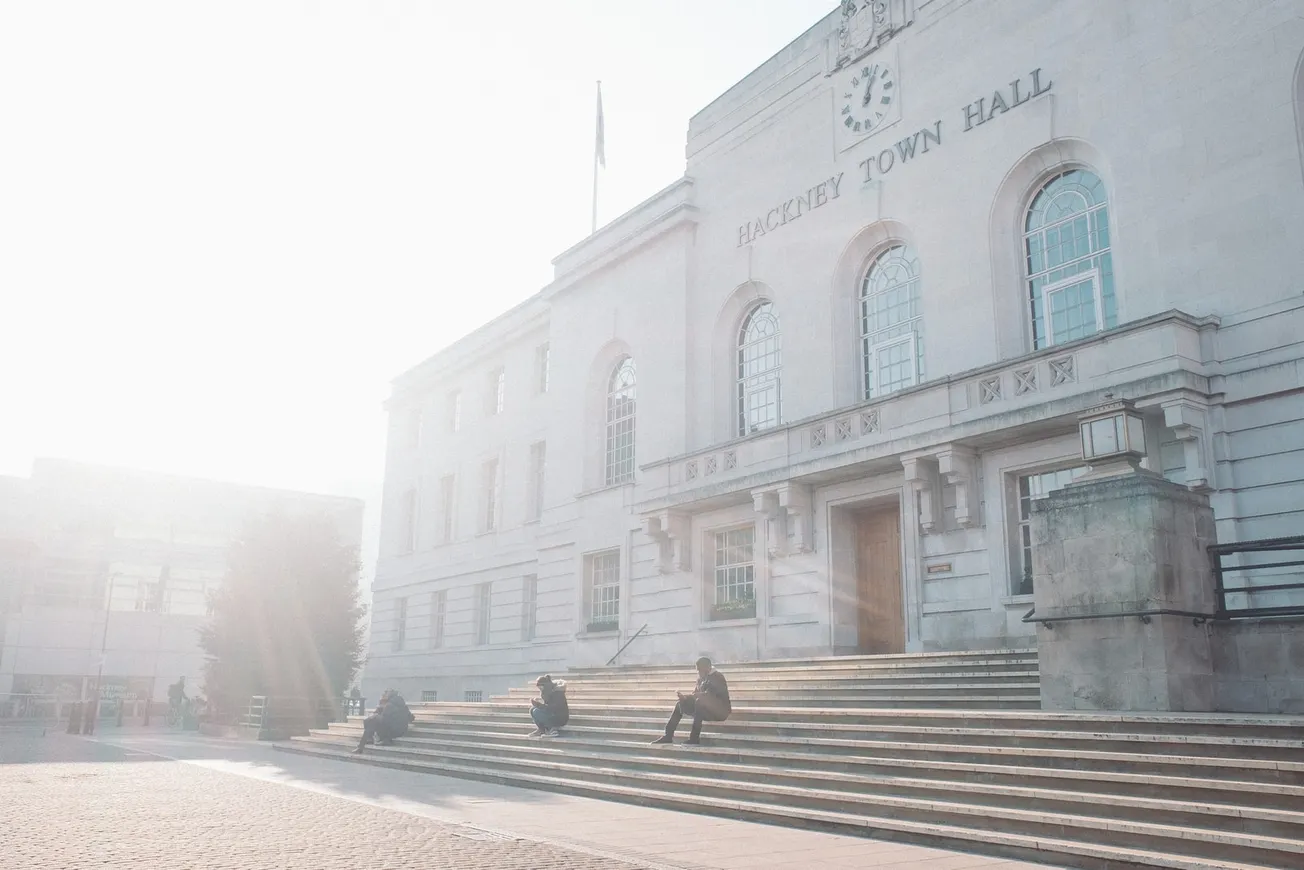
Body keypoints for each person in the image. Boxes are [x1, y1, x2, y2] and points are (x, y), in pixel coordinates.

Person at [651, 656, 730, 746]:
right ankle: (668, 736)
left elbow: (711, 696)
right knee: (680, 704)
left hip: (720, 711)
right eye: (697, 670)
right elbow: (695, 694)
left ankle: (694, 738)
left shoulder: (718, 677)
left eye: (700, 670)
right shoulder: (700, 679)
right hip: (704, 709)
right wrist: (685, 698)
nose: (698, 672)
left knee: (699, 703)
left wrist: (696, 696)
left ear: (708, 667)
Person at [353, 689, 415, 754]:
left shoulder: (389, 705)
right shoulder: (404, 706)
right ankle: (368, 739)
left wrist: (377, 712)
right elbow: (411, 718)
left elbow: (384, 720)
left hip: (393, 732)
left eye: (386, 694)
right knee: (372, 719)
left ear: (390, 696)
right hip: (402, 731)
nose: (384, 695)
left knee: (371, 720)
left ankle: (361, 746)